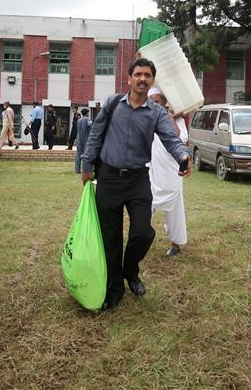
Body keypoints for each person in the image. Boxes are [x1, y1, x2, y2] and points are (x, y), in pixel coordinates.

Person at [79, 58, 190, 311]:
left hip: (138, 179)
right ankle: (114, 290)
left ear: (152, 81)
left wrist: (183, 156)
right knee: (111, 238)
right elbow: (96, 134)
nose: (142, 79)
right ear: (129, 78)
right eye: (138, 74)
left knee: (142, 232)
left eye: (147, 75)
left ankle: (130, 270)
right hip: (108, 178)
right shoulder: (112, 104)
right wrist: (86, 165)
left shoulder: (157, 113)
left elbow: (171, 140)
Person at [147, 88, 189, 257]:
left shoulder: (177, 120)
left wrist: (170, 118)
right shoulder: (147, 118)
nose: (154, 105)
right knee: (145, 206)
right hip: (153, 170)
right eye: (151, 102)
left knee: (175, 209)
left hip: (172, 172)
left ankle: (175, 243)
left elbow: (180, 139)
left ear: (165, 102)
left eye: (157, 102)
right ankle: (141, 239)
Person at [73, 107, 92, 174]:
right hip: (86, 140)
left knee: (78, 155)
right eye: (88, 113)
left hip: (79, 140)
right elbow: (90, 129)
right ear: (86, 113)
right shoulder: (88, 120)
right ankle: (85, 170)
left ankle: (77, 170)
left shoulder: (79, 120)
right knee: (86, 155)